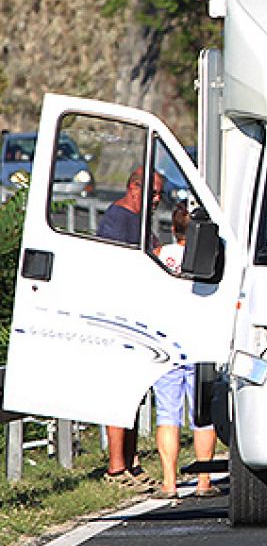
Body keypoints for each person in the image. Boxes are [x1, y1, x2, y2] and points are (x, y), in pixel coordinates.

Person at [96, 167, 163, 491]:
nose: (157, 200)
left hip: (139, 320)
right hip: (118, 320)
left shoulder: (140, 220)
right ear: (134, 188)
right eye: (153, 193)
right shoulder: (117, 218)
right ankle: (115, 467)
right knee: (118, 394)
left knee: (134, 395)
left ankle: (132, 462)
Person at [153, 206, 220, 499]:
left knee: (168, 414)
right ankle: (203, 481)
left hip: (166, 342)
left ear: (173, 230)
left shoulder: (158, 256)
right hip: (200, 343)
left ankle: (169, 483)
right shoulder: (212, 259)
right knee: (202, 415)